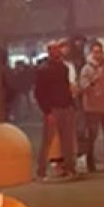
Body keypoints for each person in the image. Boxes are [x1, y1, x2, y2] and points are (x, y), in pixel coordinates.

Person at [34, 41, 78, 180]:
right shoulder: (43, 70)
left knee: (68, 141)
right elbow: (39, 93)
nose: (57, 51)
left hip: (66, 107)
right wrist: (47, 111)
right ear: (49, 51)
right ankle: (41, 171)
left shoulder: (63, 67)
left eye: (58, 49)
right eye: (54, 49)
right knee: (47, 141)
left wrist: (71, 104)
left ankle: (70, 168)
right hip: (53, 109)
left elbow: (66, 88)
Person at [79, 41, 104, 172]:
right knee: (92, 136)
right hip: (93, 108)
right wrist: (94, 80)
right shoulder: (86, 68)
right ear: (91, 53)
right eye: (96, 52)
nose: (98, 55)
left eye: (100, 51)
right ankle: (91, 162)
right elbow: (83, 87)